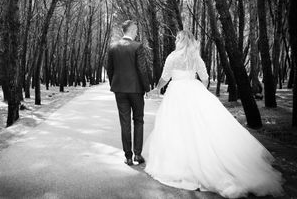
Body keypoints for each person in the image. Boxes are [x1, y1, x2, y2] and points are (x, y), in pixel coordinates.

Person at [144, 30, 284, 198]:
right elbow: (204, 77)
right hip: (194, 90)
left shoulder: (172, 57)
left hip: (176, 93)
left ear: (179, 41)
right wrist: (200, 92)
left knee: (177, 128)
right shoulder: (196, 57)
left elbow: (165, 77)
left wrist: (157, 89)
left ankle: (181, 163)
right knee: (202, 128)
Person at [106, 20, 151, 166]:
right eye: (136, 30)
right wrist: (147, 88)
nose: (137, 32)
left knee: (124, 123)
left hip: (120, 90)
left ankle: (128, 157)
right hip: (136, 90)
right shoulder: (137, 47)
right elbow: (142, 69)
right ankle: (138, 154)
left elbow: (110, 69)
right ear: (131, 30)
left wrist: (114, 84)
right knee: (138, 120)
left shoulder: (113, 47)